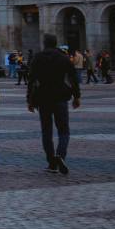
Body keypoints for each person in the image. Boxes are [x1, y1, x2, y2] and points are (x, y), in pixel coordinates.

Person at [27, 34, 81, 174]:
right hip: (60, 97)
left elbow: (31, 80)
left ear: (44, 43)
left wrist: (30, 100)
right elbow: (73, 78)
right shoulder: (63, 58)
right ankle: (60, 155)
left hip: (43, 98)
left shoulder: (37, 58)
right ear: (56, 43)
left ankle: (51, 163)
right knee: (64, 130)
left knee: (47, 131)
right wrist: (77, 96)